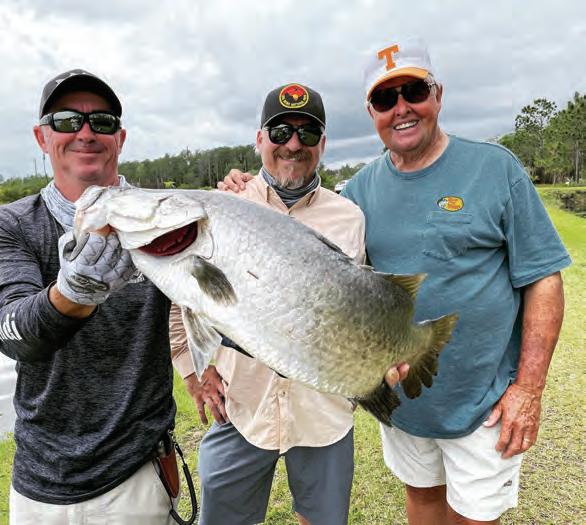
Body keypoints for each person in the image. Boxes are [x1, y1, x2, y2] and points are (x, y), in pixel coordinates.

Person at [219, 38, 570, 524]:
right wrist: (242, 192)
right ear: (372, 112)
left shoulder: (495, 168)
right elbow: (304, 248)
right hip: (405, 400)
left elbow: (544, 279)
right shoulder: (360, 192)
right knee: (422, 501)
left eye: (414, 92)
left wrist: (528, 389)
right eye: (386, 98)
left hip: (484, 402)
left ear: (438, 95)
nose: (401, 108)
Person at [170, 83, 407, 525]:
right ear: (259, 139)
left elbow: (361, 306)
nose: (293, 145)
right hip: (241, 406)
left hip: (322, 413)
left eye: (307, 133)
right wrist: (192, 371)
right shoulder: (223, 206)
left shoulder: (349, 217)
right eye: (280, 132)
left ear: (323, 144)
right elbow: (182, 290)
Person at [0, 69, 177, 524]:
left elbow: (222, 313)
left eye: (101, 122)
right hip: (40, 481)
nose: (85, 133)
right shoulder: (13, 224)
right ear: (42, 138)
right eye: (66, 120)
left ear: (120, 138)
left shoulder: (164, 219)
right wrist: (72, 292)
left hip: (137, 471)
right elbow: (14, 333)